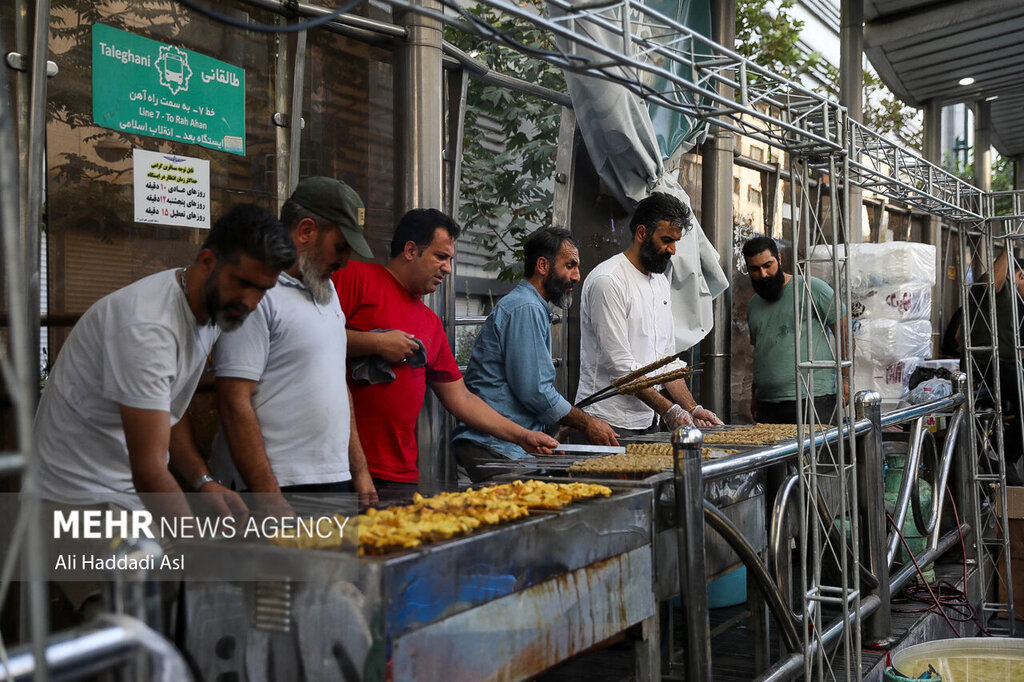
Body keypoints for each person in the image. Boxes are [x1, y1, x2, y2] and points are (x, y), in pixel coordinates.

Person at [34, 203, 296, 519]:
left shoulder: (213, 308)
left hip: (125, 499)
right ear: (208, 261)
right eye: (243, 284)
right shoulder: (148, 327)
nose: (251, 303)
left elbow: (167, 412)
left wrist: (203, 482)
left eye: (263, 291)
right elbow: (148, 473)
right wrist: (191, 540)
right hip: (76, 503)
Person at [333, 208, 558, 492]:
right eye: (441, 257)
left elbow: (461, 397)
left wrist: (522, 435)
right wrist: (376, 343)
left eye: (450, 260)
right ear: (411, 250)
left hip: (400, 471)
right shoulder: (356, 278)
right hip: (344, 465)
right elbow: (310, 339)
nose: (448, 268)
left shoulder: (430, 322)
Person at [211, 177, 377, 507]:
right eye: (340, 247)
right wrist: (268, 495)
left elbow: (335, 384)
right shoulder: (256, 293)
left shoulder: (327, 293)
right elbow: (234, 399)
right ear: (305, 231)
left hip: (333, 481)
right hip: (276, 486)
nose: (345, 262)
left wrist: (358, 470)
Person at [452, 227, 619, 482]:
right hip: (493, 448)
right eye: (570, 265)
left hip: (507, 447)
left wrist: (558, 427)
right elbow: (536, 392)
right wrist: (587, 423)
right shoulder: (525, 307)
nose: (577, 276)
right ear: (543, 265)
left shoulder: (532, 306)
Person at [576, 192, 723, 434]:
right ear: (642, 233)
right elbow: (621, 368)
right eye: (666, 240)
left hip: (648, 420)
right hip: (606, 421)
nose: (673, 250)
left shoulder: (659, 282)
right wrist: (670, 410)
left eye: (676, 241)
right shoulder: (609, 280)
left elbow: (665, 360)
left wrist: (692, 408)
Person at [742, 235, 848, 425]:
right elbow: (761, 352)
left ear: (780, 259)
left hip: (814, 398)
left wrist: (846, 380)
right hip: (768, 403)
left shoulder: (811, 288)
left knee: (816, 455)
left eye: (768, 265)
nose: (763, 274)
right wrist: (755, 395)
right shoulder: (753, 305)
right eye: (755, 269)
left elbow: (844, 331)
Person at [969, 248, 1024, 484]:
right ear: (1020, 274)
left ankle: (1005, 452)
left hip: (1003, 362)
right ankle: (1004, 453)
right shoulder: (996, 287)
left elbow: (962, 335)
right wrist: (1007, 248)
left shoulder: (1011, 297)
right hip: (992, 363)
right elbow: (992, 280)